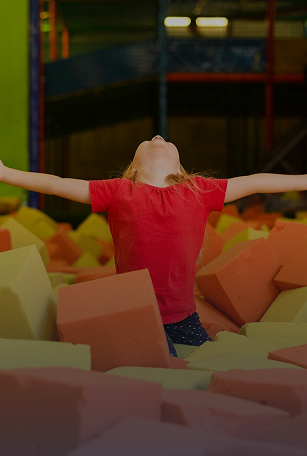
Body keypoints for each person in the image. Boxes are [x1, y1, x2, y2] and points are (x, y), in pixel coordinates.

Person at [1, 135, 307, 356]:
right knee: (152, 377)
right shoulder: (119, 191)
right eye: (149, 140)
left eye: (163, 140)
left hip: (184, 317)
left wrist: (303, 180)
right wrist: (5, 173)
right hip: (133, 313)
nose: (157, 136)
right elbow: (57, 183)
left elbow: (255, 182)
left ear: (180, 170)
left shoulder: (198, 189)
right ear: (132, 169)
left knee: (204, 371)